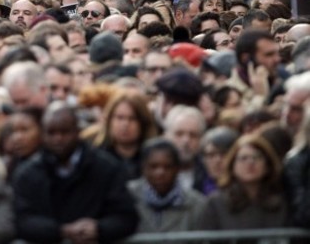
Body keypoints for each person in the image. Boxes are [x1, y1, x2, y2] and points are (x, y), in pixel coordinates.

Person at [13, 105, 138, 243]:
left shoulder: (107, 167)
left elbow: (126, 217)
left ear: (77, 132)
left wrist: (98, 228)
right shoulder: (28, 173)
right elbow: (22, 220)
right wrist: (61, 231)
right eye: (51, 133)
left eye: (64, 132)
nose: (58, 139)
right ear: (43, 134)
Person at [198, 134, 288, 230]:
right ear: (232, 165)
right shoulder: (216, 203)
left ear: (267, 166)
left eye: (257, 157)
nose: (250, 163)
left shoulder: (280, 202)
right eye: (243, 158)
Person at [127, 138, 205, 233]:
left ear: (177, 169)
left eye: (167, 167)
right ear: (143, 167)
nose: (160, 173)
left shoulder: (196, 204)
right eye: (153, 166)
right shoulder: (127, 196)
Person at [93, 93, 157, 180]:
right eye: (120, 118)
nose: (125, 124)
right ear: (109, 121)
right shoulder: (96, 158)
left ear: (143, 122)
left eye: (132, 118)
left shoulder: (154, 158)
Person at [197, 126, 240, 196]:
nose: (218, 160)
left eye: (223, 154)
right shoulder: (196, 188)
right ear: (203, 159)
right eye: (211, 155)